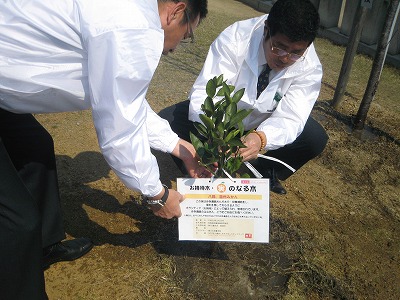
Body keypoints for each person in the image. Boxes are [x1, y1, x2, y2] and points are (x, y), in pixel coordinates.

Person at [0, 0, 208, 299]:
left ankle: (42, 247)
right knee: (16, 222)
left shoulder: (128, 12)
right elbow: (119, 126)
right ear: (176, 11)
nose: (178, 45)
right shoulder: (136, 26)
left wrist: (178, 146)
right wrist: (156, 194)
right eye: (188, 33)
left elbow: (124, 97)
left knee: (36, 146)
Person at [161, 0, 328, 195]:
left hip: (264, 119)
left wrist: (261, 138)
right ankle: (203, 170)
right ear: (266, 30)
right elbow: (207, 93)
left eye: (295, 53)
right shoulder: (236, 38)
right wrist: (218, 137)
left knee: (313, 137)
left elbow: (292, 117)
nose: (285, 58)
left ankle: (264, 170)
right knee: (167, 121)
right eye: (279, 47)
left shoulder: (310, 65)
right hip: (224, 117)